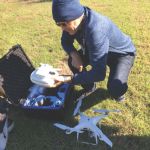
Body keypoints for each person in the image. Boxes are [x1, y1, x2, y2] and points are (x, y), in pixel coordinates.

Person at [51, 0, 136, 101]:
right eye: (58, 24)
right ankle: (90, 87)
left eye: (64, 24)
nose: (62, 29)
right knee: (72, 61)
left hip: (121, 54)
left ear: (75, 15)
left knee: (115, 89)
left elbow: (98, 74)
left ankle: (118, 92)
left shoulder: (96, 29)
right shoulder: (72, 22)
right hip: (96, 48)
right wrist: (75, 55)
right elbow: (65, 42)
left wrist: (67, 79)